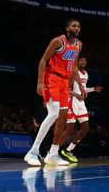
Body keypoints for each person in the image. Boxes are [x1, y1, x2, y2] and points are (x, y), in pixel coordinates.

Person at [24, 18, 84, 167]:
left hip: (65, 82)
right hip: (52, 78)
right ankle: (33, 151)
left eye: (79, 26)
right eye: (74, 26)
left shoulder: (79, 45)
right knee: (53, 113)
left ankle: (52, 154)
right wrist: (40, 81)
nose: (77, 28)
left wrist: (81, 86)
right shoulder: (58, 41)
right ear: (67, 28)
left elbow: (74, 67)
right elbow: (43, 60)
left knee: (62, 117)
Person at [60, 56, 104, 163]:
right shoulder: (72, 72)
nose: (83, 62)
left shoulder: (86, 74)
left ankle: (68, 150)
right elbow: (66, 89)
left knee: (85, 128)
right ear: (77, 61)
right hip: (72, 100)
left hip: (81, 102)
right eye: (81, 60)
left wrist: (93, 89)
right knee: (70, 128)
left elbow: (83, 90)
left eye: (85, 60)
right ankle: (52, 150)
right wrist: (77, 95)